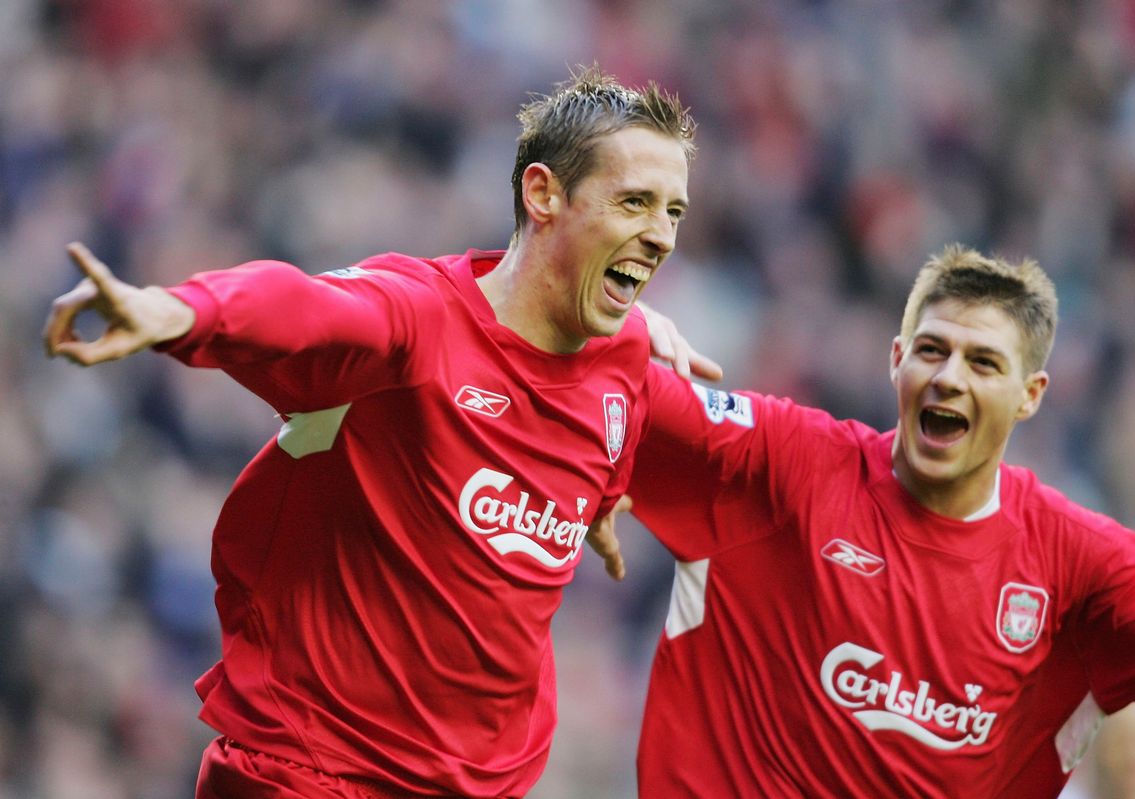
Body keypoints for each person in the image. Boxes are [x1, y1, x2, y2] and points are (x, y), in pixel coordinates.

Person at [43, 66, 718, 799]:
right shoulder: (420, 319)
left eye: (673, 211)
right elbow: (300, 306)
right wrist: (181, 312)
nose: (660, 236)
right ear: (543, 193)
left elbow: (592, 435)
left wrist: (599, 500)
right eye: (635, 202)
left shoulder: (623, 357)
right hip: (313, 772)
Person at [593, 245, 1135, 797]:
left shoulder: (1079, 565)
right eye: (932, 350)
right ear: (897, 359)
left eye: (984, 363)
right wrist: (587, 458)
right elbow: (599, 380)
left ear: (1031, 394)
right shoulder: (785, 463)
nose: (948, 377)